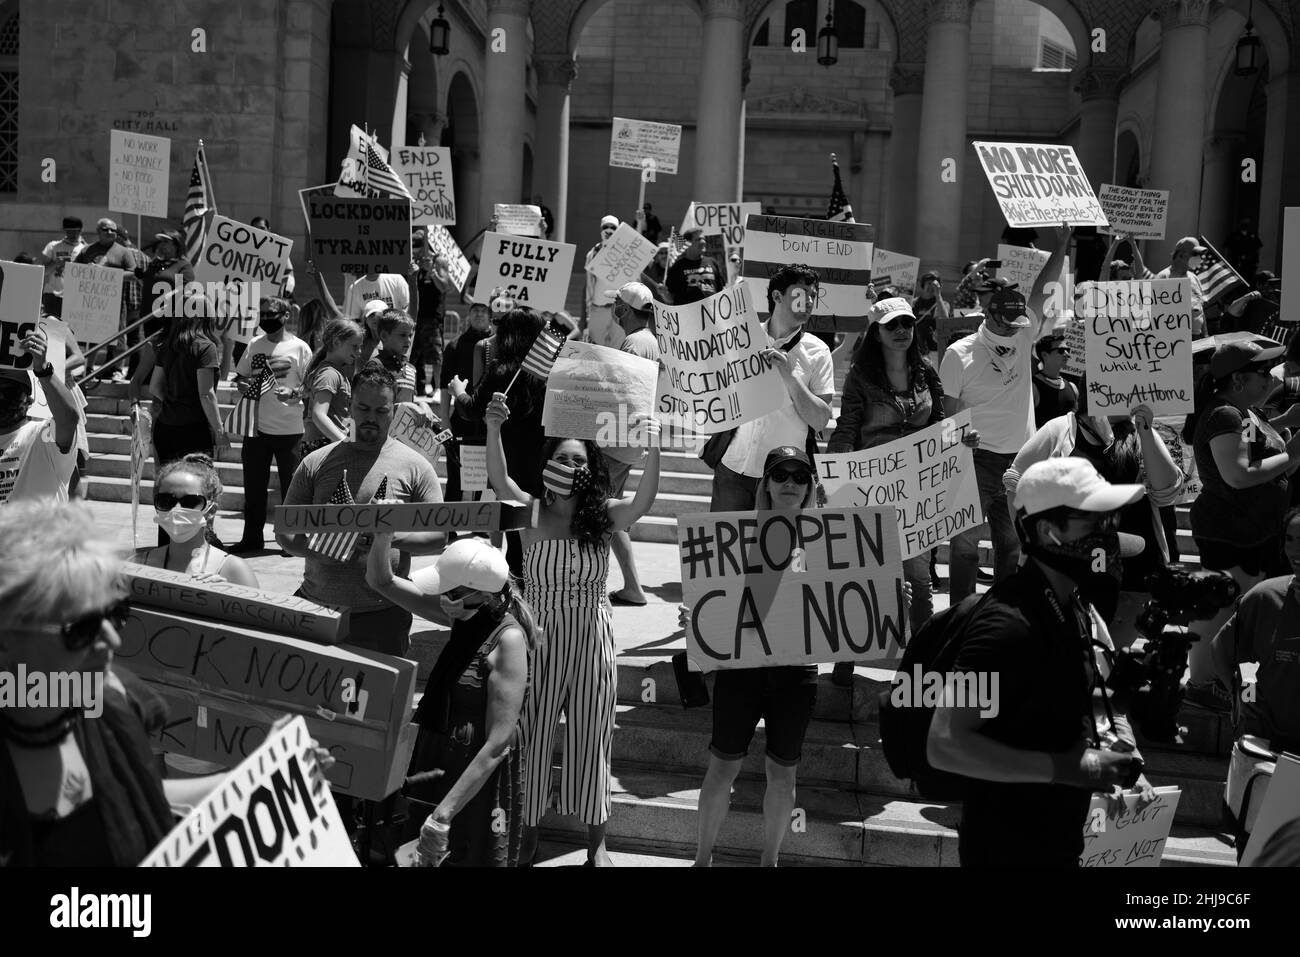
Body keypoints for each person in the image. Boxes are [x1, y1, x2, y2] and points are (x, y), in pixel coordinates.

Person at [927, 457, 1152, 867]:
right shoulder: (1006, 623)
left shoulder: (1072, 608)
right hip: (1006, 849)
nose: (1109, 533)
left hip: (1056, 841)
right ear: (1049, 531)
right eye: (1094, 521)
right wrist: (1071, 769)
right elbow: (946, 745)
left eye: (1110, 519)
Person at [484, 392, 661, 867]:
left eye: (577, 459)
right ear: (547, 464)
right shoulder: (530, 511)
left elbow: (643, 503)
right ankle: (529, 834)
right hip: (537, 636)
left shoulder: (602, 516)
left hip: (590, 636)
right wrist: (494, 426)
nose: (568, 463)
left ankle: (595, 844)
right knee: (534, 735)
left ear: (590, 468)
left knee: (592, 734)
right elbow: (499, 479)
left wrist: (654, 447)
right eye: (561, 457)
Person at [366, 536, 535, 867]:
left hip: (472, 778)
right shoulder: (461, 615)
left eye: (447, 590)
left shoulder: (509, 640)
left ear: (472, 594)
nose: (440, 596)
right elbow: (380, 580)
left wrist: (444, 813)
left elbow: (499, 742)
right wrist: (383, 534)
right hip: (438, 755)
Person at [693, 446, 820, 867]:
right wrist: (698, 614)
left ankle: (770, 860)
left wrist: (882, 600)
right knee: (721, 769)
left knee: (783, 776)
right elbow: (721, 595)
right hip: (742, 667)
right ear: (764, 483)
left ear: (810, 486)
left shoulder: (830, 538)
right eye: (780, 474)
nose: (790, 483)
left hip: (795, 671)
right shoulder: (734, 533)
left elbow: (841, 606)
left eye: (799, 476)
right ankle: (702, 859)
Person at [276, 365, 445, 656]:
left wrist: (387, 537)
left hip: (383, 614)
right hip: (317, 607)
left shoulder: (416, 467)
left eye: (381, 411)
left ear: (393, 410)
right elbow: (285, 533)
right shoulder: (316, 463)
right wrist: (319, 550)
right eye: (363, 408)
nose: (370, 418)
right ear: (350, 406)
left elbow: (438, 537)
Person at [940, 228, 1065, 601]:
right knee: (964, 546)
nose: (1017, 328)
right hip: (976, 462)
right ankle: (962, 616)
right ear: (990, 316)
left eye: (1020, 323)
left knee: (1011, 546)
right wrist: (960, 437)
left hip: (1019, 461)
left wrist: (1061, 246)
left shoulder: (1025, 333)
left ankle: (999, 615)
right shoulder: (959, 354)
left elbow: (1043, 290)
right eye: (1009, 323)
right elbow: (946, 419)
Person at [1182, 338, 1300, 707]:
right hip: (1230, 531)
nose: (1269, 380)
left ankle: (1216, 678)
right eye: (1261, 373)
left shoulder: (1245, 414)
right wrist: (1292, 453)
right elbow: (1237, 473)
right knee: (1218, 608)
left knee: (1231, 606)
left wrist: (1283, 426)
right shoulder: (1224, 415)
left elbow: (1254, 451)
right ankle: (1200, 684)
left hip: (1251, 531)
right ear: (1237, 381)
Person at [1005, 403, 1183, 647]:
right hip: (1071, 572)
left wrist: (1146, 432)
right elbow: (1016, 482)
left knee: (1109, 656)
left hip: (1132, 567)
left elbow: (1166, 492)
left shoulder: (1144, 433)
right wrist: (1034, 543)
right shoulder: (1060, 430)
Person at [711, 264, 833, 511]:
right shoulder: (741, 337)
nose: (809, 301)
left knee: (778, 549)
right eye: (801, 293)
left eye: (813, 295)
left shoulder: (818, 351)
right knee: (725, 549)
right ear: (777, 296)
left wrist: (789, 376)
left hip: (784, 480)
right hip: (734, 467)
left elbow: (820, 421)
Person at [1209, 505, 1300, 756]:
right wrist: (1246, 698)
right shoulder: (1264, 597)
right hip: (1264, 742)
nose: (1294, 550)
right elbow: (1242, 658)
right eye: (1289, 539)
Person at [228, 297, 313, 554]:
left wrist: (295, 393)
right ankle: (251, 538)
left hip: (290, 431)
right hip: (257, 428)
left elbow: (310, 386)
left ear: (286, 315)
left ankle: (290, 541)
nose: (266, 318)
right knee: (253, 488)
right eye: (262, 313)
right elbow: (241, 377)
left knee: (292, 490)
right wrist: (241, 384)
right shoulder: (254, 344)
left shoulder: (300, 348)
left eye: (272, 313)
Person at [600, 282, 661, 607]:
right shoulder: (647, 341)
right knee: (613, 510)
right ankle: (633, 586)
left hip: (615, 441)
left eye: (616, 305)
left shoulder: (634, 344)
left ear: (623, 310)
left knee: (599, 513)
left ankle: (597, 584)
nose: (613, 310)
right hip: (627, 441)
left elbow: (621, 396)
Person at [132, 454, 257, 586]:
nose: (176, 509)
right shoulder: (139, 564)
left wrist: (225, 594)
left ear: (211, 511)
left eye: (190, 502)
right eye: (166, 501)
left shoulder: (234, 570)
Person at [0, 329, 81, 505]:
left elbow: (69, 419)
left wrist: (43, 369)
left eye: (9, 391)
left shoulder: (43, 436)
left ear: (29, 400)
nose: (1, 397)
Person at [439, 303, 493, 504]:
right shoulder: (454, 345)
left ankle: (479, 527)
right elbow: (445, 385)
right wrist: (445, 419)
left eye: (484, 310)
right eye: (475, 309)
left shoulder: (496, 345)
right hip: (460, 420)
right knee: (455, 478)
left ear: (490, 315)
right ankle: (449, 530)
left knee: (484, 479)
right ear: (468, 314)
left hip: (488, 422)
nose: (479, 314)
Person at [301, 317, 365, 454]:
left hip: (331, 443)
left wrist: (352, 440)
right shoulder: (329, 374)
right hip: (324, 445)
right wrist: (344, 442)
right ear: (336, 342)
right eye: (355, 346)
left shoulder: (337, 373)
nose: (359, 352)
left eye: (360, 347)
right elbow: (318, 415)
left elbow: (345, 416)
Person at [412, 245, 454, 399]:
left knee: (436, 357)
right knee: (413, 355)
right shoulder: (420, 269)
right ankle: (412, 386)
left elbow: (444, 287)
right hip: (417, 318)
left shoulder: (439, 268)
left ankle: (438, 388)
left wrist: (433, 271)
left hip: (433, 320)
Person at [1154, 237, 1208, 338]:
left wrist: (1206, 335)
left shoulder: (1194, 278)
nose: (1199, 258)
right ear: (1181, 255)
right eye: (1195, 254)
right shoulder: (1163, 277)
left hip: (1197, 337)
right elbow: (1155, 313)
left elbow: (1200, 310)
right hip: (1176, 339)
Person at [36, 216, 87, 319]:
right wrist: (56, 263)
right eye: (68, 231)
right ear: (64, 231)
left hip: (74, 296)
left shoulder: (84, 249)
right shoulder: (53, 246)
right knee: (51, 326)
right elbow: (43, 272)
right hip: (53, 295)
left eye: (75, 232)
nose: (72, 235)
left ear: (81, 231)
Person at [583, 215, 621, 346]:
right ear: (601, 229)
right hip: (598, 308)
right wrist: (589, 308)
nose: (609, 230)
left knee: (618, 347)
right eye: (606, 227)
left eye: (613, 228)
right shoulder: (593, 253)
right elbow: (589, 282)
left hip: (620, 309)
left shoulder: (626, 252)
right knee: (596, 347)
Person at [368, 309, 418, 404]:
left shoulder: (411, 369)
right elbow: (372, 402)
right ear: (384, 336)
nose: (408, 340)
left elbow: (411, 403)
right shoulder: (376, 366)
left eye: (410, 335)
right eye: (403, 335)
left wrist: (422, 405)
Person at [666, 226, 725, 306]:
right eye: (699, 239)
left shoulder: (713, 262)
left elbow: (721, 290)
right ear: (687, 244)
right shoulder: (677, 267)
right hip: (688, 316)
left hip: (712, 315)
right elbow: (670, 298)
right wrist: (664, 293)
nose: (703, 242)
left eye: (704, 239)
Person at [1031, 333, 1078, 428]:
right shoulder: (1032, 387)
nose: (1067, 354)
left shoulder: (1073, 388)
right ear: (1044, 355)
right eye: (1061, 351)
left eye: (1067, 350)